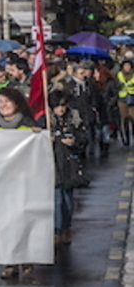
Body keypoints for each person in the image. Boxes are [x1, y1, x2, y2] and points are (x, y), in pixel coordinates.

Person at [0, 87, 40, 279]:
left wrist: (38, 136)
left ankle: (26, 258)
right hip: (1, 182)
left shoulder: (27, 124)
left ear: (17, 103)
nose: (4, 105)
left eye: (7, 101)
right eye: (0, 102)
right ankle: (10, 262)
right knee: (5, 223)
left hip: (23, 181)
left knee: (22, 221)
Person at [48, 90, 86, 248]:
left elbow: (84, 138)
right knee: (56, 200)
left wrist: (75, 141)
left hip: (69, 165)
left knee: (68, 201)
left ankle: (66, 228)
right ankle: (56, 231)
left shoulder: (73, 119)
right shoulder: (47, 122)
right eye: (57, 106)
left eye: (63, 105)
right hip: (53, 165)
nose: (61, 109)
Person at [117, 60, 134, 146]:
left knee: (133, 118)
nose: (127, 68)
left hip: (133, 99)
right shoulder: (119, 75)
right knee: (125, 119)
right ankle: (126, 139)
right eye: (125, 66)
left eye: (128, 66)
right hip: (122, 99)